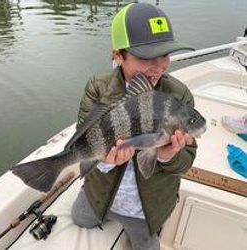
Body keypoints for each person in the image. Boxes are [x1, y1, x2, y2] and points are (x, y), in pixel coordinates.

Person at [71, 3, 197, 250]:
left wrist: (167, 155)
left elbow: (187, 159)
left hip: (146, 206)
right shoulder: (98, 87)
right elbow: (83, 140)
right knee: (79, 217)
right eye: (146, 56)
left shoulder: (179, 96)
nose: (159, 66)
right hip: (100, 192)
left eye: (165, 55)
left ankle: (153, 222)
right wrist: (107, 161)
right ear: (118, 55)